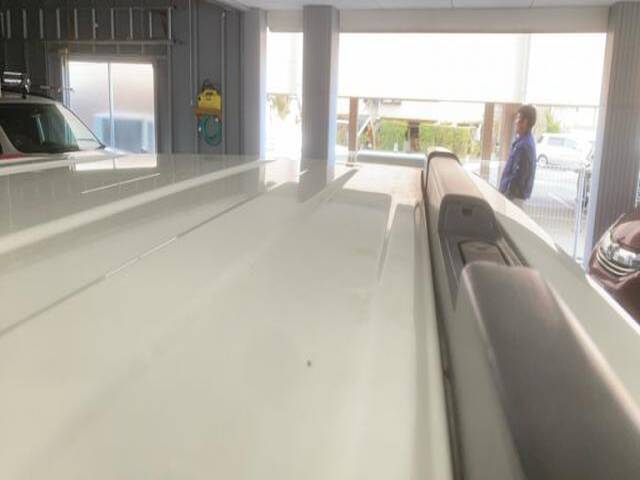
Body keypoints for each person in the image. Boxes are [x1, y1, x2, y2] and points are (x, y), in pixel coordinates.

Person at [499, 105, 537, 205]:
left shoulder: (524, 146)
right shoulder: (524, 142)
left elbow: (519, 176)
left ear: (525, 122)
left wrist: (506, 196)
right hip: (514, 197)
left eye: (518, 118)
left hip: (513, 199)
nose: (516, 122)